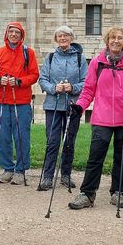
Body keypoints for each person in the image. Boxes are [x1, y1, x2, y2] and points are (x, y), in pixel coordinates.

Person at [67, 26, 123, 210]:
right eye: (112, 38)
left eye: (120, 38)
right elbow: (88, 90)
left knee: (122, 156)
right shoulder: (97, 62)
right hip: (102, 116)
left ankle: (118, 192)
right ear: (107, 41)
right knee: (95, 156)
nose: (116, 41)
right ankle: (87, 193)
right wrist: (80, 106)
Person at [0, 22, 40, 185]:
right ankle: (7, 169)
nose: (14, 34)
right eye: (11, 31)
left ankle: (21, 170)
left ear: (21, 35)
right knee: (3, 136)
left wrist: (18, 82)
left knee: (21, 136)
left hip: (22, 101)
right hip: (2, 101)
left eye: (17, 32)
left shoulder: (28, 53)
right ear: (7, 33)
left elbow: (34, 75)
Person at [36, 26, 87, 191]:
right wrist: (53, 88)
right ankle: (48, 177)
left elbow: (86, 82)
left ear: (71, 38)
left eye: (66, 36)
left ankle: (65, 174)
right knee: (52, 142)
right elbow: (42, 79)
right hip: (53, 105)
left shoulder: (80, 58)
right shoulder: (50, 58)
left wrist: (72, 87)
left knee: (69, 141)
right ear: (56, 39)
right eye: (60, 36)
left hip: (72, 106)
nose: (63, 38)